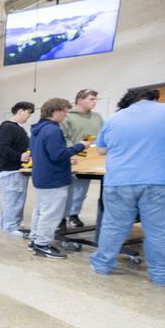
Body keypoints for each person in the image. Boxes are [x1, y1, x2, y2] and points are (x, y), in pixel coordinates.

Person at [89, 88, 165, 286]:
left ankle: (102, 265)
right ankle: (161, 275)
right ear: (154, 99)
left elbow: (101, 149)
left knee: (114, 225)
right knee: (159, 230)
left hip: (119, 180)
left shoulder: (114, 119)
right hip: (158, 180)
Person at [28, 98, 90, 258]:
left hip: (41, 176)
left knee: (40, 211)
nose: (66, 116)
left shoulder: (38, 129)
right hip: (54, 179)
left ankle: (35, 239)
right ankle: (42, 245)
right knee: (51, 214)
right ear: (55, 111)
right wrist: (80, 146)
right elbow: (58, 155)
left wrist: (64, 157)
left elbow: (46, 153)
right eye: (65, 112)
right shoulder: (53, 130)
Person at [60, 88, 103, 228]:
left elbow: (102, 136)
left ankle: (74, 214)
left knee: (81, 191)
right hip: (71, 158)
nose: (95, 102)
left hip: (91, 159)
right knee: (66, 191)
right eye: (91, 99)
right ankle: (61, 217)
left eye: (96, 99)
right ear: (80, 100)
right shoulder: (67, 117)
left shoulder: (97, 117)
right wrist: (72, 151)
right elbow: (63, 137)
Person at [0, 101, 35, 236]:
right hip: (11, 171)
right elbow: (1, 148)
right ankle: (11, 227)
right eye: (28, 113)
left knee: (12, 200)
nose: (28, 117)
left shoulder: (17, 128)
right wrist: (19, 156)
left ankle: (6, 224)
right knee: (13, 201)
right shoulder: (7, 127)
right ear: (20, 111)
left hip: (18, 171)